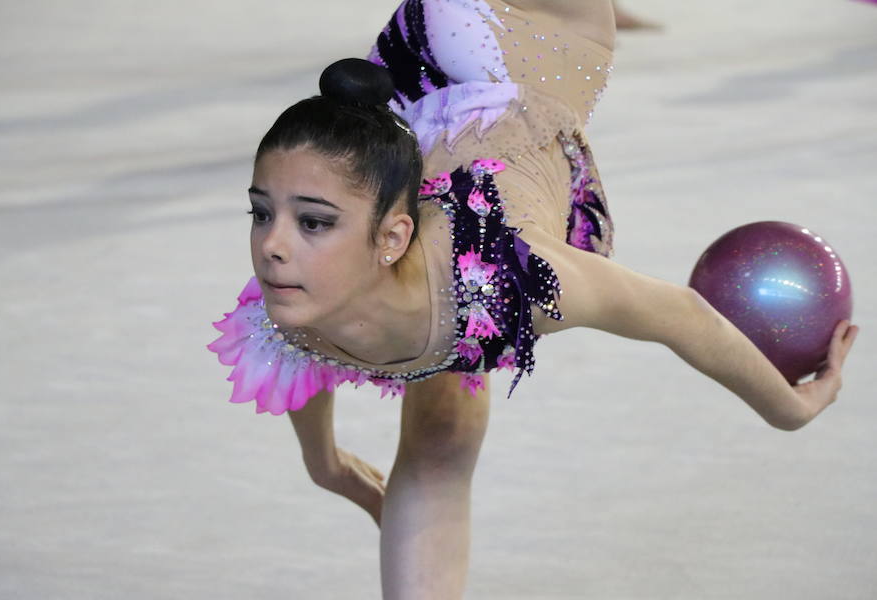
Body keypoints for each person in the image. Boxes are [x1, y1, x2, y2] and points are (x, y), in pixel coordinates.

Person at [208, 1, 859, 597]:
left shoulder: (512, 273)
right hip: (415, 99)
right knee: (442, 429)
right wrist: (327, 468)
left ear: (393, 237)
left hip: (524, 44)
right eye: (260, 213)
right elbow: (299, 365)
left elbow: (677, 313)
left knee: (446, 414)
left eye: (311, 222)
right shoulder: (292, 290)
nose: (271, 247)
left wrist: (790, 410)